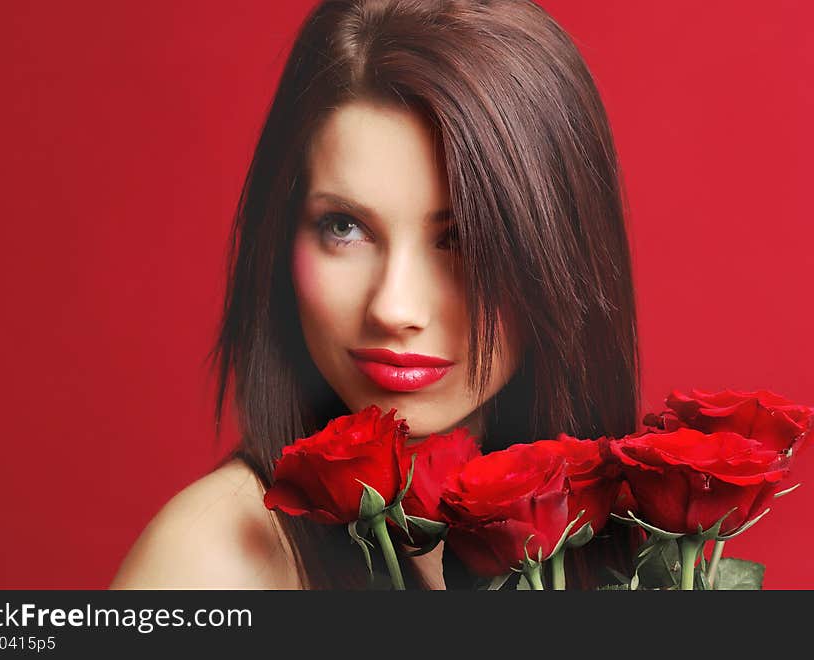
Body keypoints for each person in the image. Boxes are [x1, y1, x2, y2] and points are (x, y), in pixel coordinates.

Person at [110, 0, 640, 590]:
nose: (394, 308)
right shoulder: (212, 564)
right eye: (344, 227)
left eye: (462, 238)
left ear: (562, 255)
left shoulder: (605, 544)